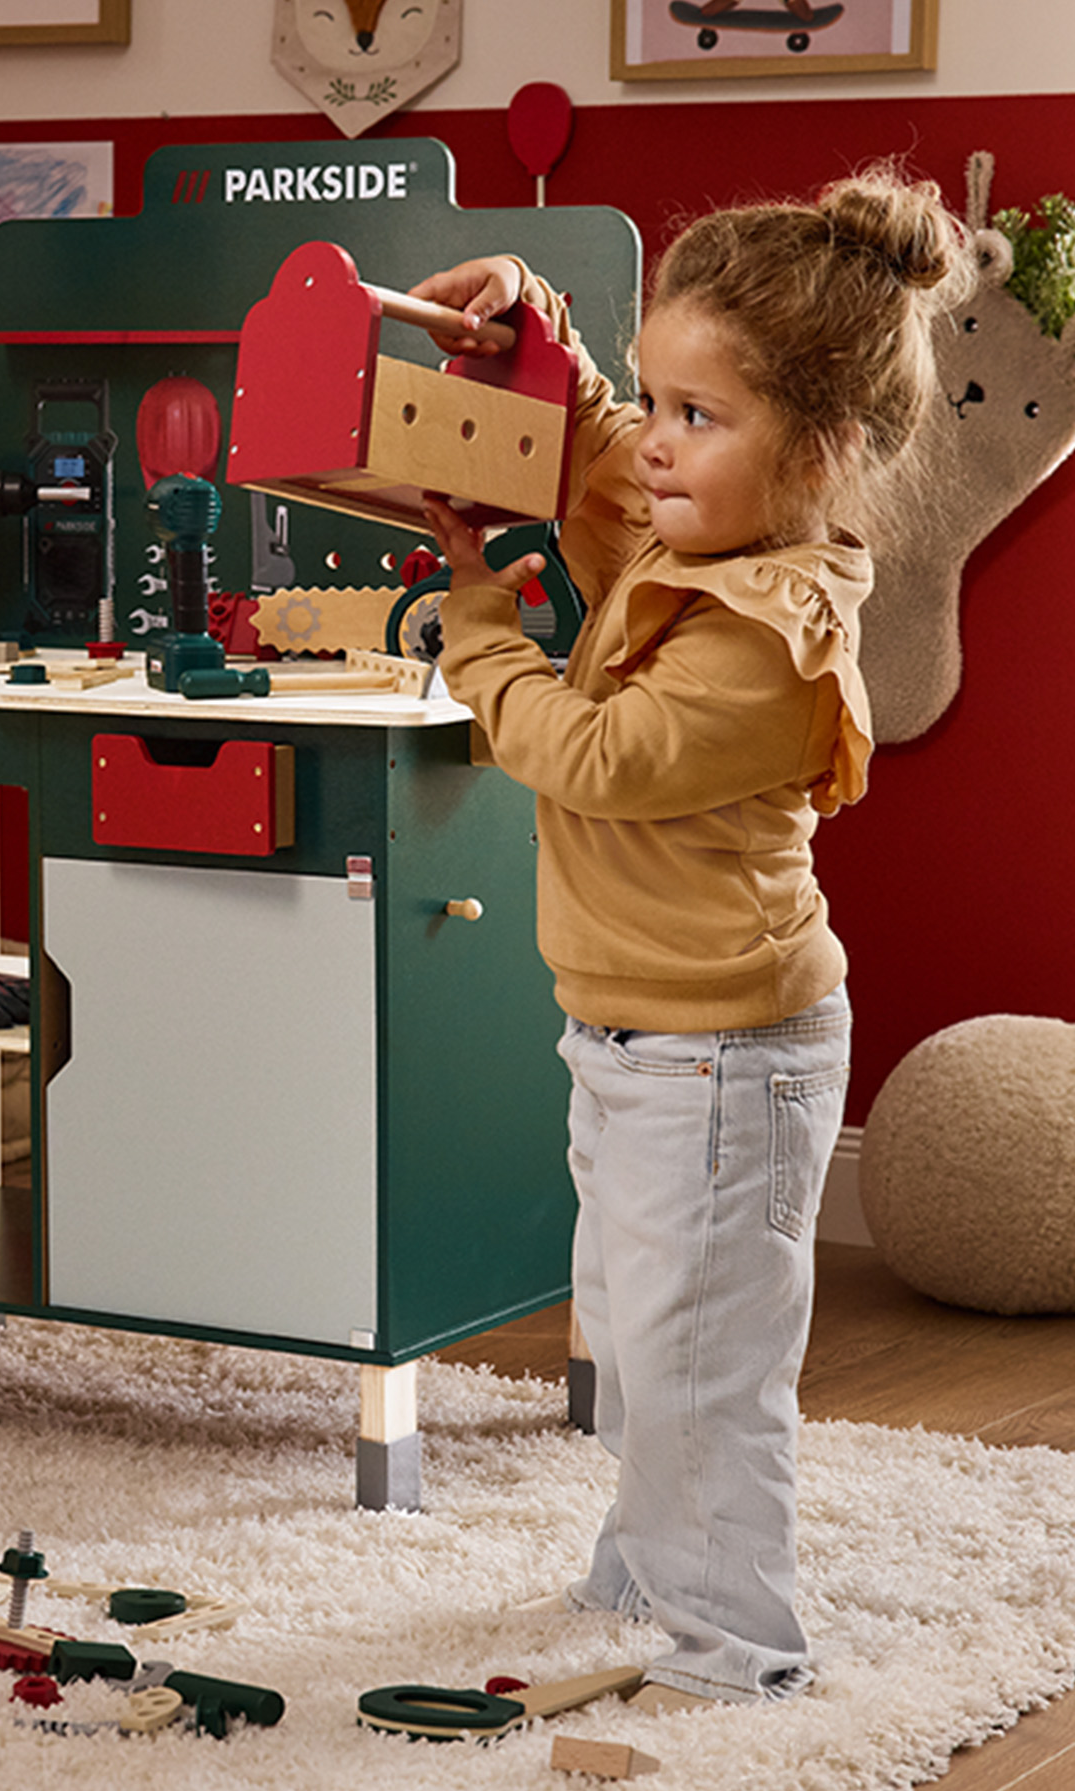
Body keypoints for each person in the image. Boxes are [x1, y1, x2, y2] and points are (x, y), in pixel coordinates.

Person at [410, 169, 972, 1710]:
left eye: (700, 416)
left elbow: (595, 756)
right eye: (659, 398)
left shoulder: (760, 633)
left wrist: (476, 629)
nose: (657, 440)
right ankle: (651, 1560)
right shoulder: (689, 523)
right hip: (639, 1034)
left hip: (725, 1053)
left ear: (825, 452)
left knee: (699, 1366)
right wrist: (544, 334)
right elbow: (597, 454)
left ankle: (742, 1645)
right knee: (643, 1327)